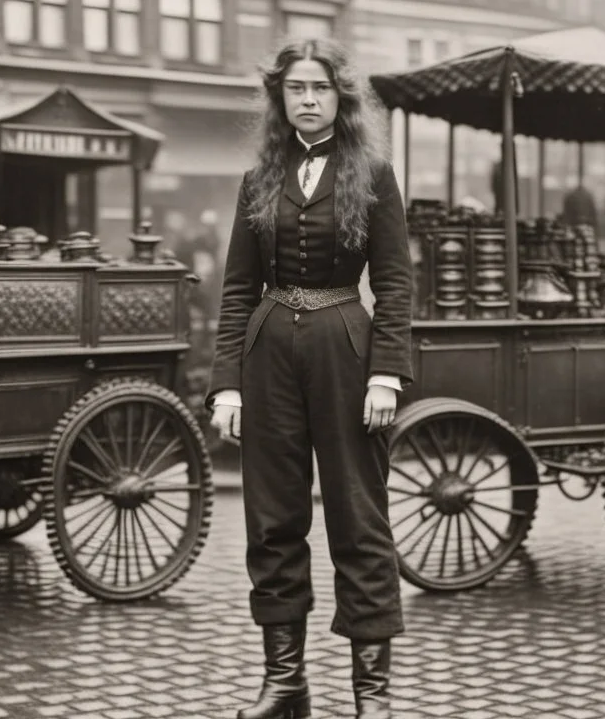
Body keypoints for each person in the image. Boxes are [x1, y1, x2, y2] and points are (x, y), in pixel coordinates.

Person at [206, 38, 413, 719]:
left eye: (320, 87)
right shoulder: (258, 179)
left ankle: (372, 696)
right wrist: (228, 383)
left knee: (359, 518)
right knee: (272, 521)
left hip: (345, 354)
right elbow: (238, 289)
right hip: (268, 355)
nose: (308, 99)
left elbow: (395, 284)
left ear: (340, 96)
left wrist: (386, 374)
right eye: (295, 88)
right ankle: (285, 684)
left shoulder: (373, 174)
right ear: (280, 98)